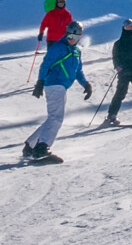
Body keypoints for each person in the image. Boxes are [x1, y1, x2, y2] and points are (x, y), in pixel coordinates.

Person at [23, 21, 92, 163]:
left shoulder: (77, 51)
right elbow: (45, 65)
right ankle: (42, 148)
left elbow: (78, 71)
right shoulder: (58, 47)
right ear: (66, 33)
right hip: (54, 84)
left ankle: (30, 145)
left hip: (61, 87)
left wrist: (86, 84)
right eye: (70, 34)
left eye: (76, 36)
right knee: (56, 118)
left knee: (52, 118)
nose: (72, 38)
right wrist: (40, 82)